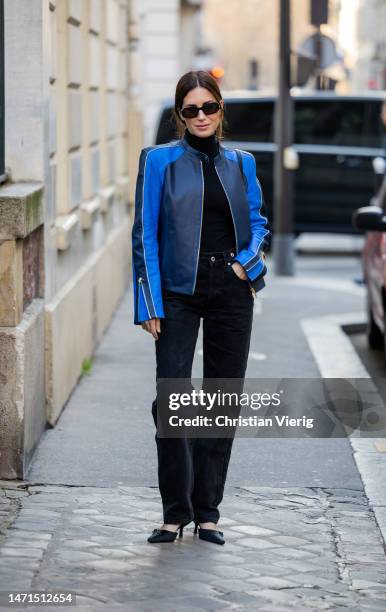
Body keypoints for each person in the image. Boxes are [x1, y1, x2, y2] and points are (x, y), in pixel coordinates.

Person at [131, 70, 270, 545]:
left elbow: (258, 224)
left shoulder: (242, 162)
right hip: (177, 293)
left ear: (220, 108)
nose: (201, 116)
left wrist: (244, 266)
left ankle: (208, 512)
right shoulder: (158, 162)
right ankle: (175, 512)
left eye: (208, 107)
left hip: (230, 288)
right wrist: (149, 301)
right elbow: (144, 234)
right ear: (180, 115)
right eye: (191, 110)